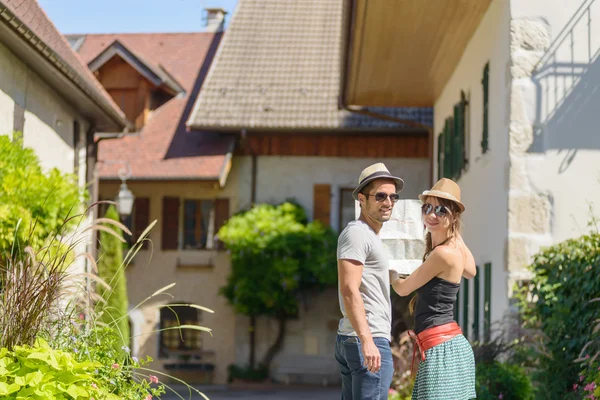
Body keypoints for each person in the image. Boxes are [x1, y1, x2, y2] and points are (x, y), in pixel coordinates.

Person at [391, 177, 477, 399]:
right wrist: (453, 230)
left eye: (441, 210)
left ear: (453, 215)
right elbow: (471, 271)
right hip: (444, 348)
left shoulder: (442, 254)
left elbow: (402, 288)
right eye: (427, 207)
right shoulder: (448, 249)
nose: (432, 215)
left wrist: (389, 272)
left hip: (442, 349)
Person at [334, 162, 403, 400]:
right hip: (367, 337)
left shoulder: (371, 237)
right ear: (361, 199)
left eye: (393, 197)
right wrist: (367, 340)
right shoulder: (357, 233)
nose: (388, 202)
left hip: (358, 337)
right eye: (381, 196)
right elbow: (349, 289)